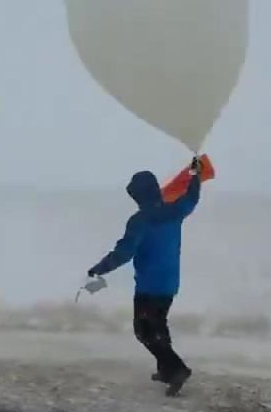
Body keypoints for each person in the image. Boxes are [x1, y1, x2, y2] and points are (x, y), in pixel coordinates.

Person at [87, 157, 203, 395]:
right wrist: (195, 176)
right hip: (170, 283)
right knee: (158, 326)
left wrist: (99, 268)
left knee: (143, 331)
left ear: (138, 195)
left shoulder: (140, 221)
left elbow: (124, 252)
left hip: (149, 286)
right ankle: (166, 370)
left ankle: (177, 369)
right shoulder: (174, 211)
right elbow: (191, 199)